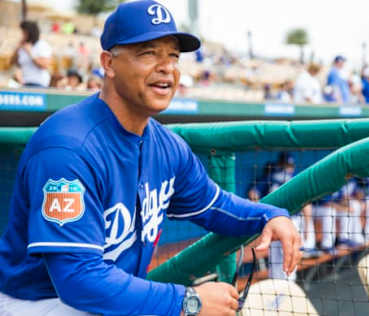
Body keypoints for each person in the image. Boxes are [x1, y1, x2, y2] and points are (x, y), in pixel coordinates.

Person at [0, 2, 301, 316]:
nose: (166, 66)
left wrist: (270, 215)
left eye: (173, 55)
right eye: (148, 53)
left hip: (102, 294)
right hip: (39, 302)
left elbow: (215, 205)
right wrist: (189, 301)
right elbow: (79, 280)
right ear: (109, 63)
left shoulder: (165, 145)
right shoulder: (67, 148)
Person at [10, 21, 52, 88]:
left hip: (39, 83)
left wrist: (30, 53)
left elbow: (44, 65)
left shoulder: (42, 45)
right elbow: (12, 63)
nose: (22, 35)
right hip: (24, 83)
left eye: (24, 33)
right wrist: (17, 49)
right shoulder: (22, 46)